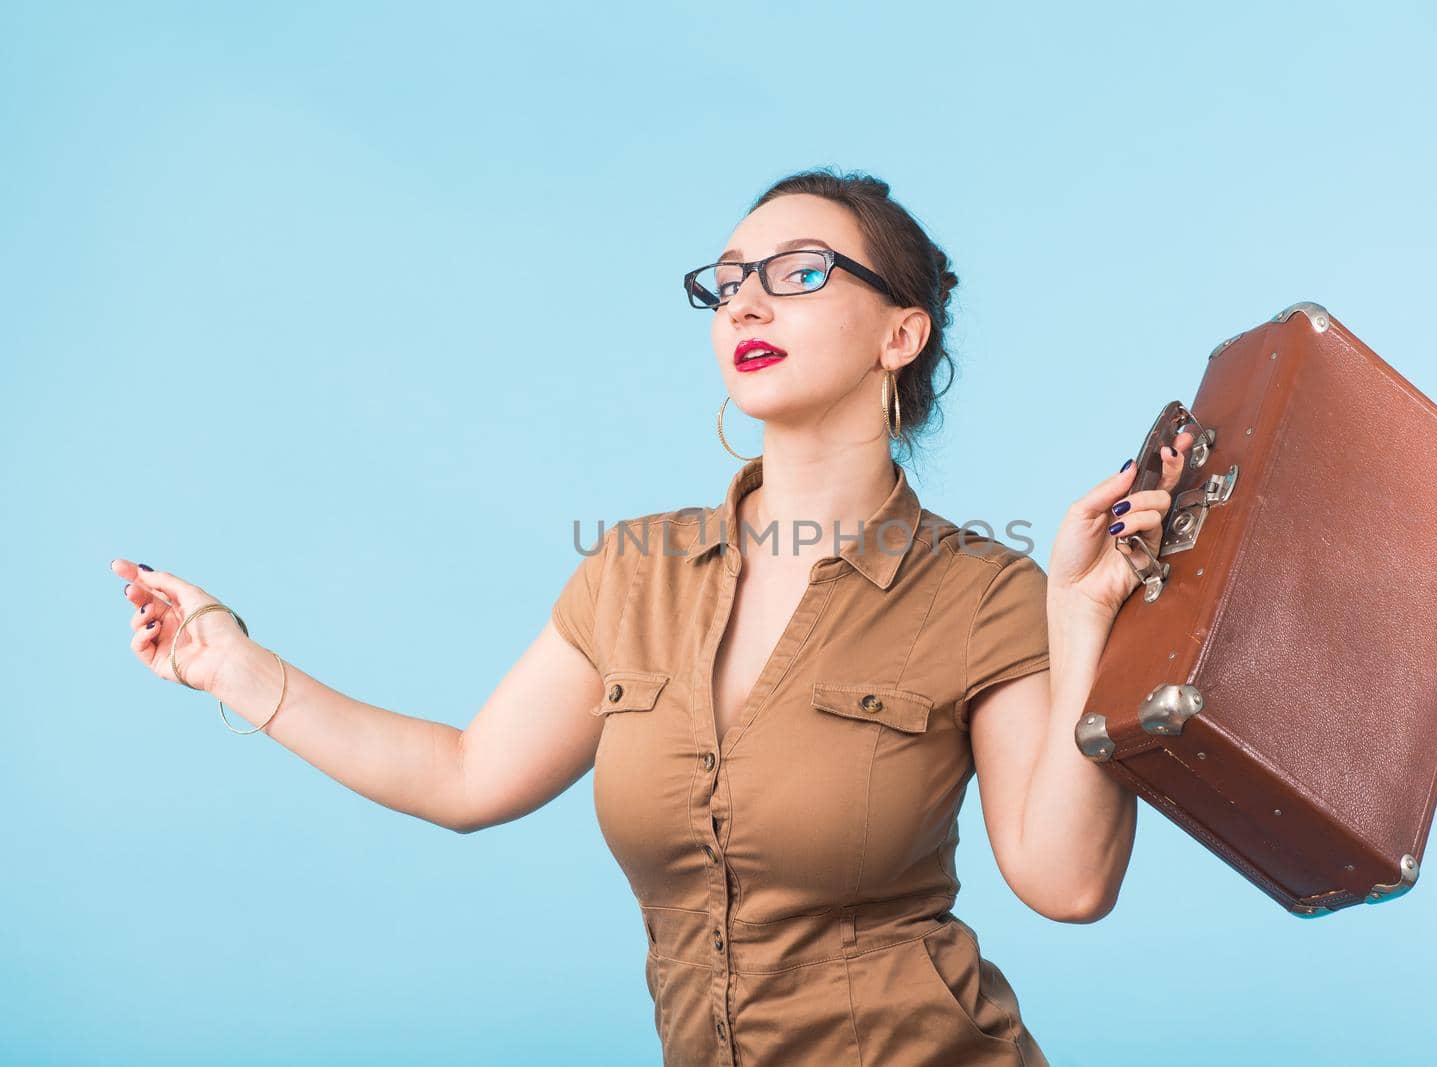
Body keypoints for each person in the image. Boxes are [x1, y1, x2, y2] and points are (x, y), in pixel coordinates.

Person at [110, 167, 1192, 1066]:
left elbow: (1068, 880)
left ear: (899, 333)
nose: (748, 304)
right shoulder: (633, 571)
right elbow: (465, 776)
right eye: (726, 285)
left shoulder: (987, 594)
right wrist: (233, 666)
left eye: (798, 274)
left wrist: (1086, 610)